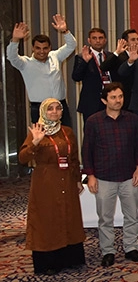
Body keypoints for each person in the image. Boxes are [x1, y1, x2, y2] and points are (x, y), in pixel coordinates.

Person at [19, 98, 86, 275]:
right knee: (47, 219)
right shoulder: (37, 131)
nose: (54, 112)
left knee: (69, 216)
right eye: (50, 109)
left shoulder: (67, 131)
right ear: (43, 112)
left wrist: (77, 180)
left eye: (58, 108)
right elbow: (23, 158)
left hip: (67, 179)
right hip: (46, 182)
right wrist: (35, 142)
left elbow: (74, 158)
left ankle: (70, 259)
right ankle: (48, 262)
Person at [81, 83, 138, 266]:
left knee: (132, 215)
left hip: (129, 176)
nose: (118, 100)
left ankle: (131, 248)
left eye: (120, 96)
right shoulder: (93, 121)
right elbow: (87, 150)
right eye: (113, 97)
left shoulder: (132, 119)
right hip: (104, 177)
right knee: (105, 218)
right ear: (104, 100)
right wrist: (90, 175)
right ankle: (108, 251)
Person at [7, 15, 76, 125]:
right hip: (39, 107)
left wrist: (65, 31)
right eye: (38, 48)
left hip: (60, 105)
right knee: (42, 136)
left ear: (49, 48)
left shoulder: (56, 56)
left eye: (45, 48)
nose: (42, 51)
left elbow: (71, 46)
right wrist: (15, 40)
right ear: (33, 48)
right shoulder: (25, 63)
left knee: (66, 134)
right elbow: (12, 57)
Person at [72, 27, 117, 125]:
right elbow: (76, 77)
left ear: (105, 40)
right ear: (89, 40)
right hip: (91, 102)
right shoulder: (81, 57)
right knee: (91, 130)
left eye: (100, 38)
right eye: (94, 38)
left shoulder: (111, 56)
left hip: (110, 100)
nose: (98, 41)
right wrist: (85, 62)